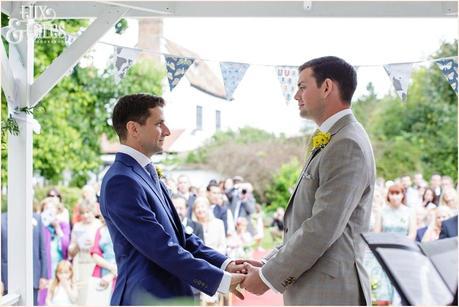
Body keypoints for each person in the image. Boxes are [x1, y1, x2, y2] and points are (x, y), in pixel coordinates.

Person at [240, 56, 375, 305]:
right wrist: (269, 261)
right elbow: (305, 218)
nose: (296, 95)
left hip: (330, 293)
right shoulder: (332, 137)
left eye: (302, 86)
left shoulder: (347, 143)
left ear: (326, 87)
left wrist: (267, 278)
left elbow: (322, 226)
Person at [99, 94, 244, 305]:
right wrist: (221, 280)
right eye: (159, 124)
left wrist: (225, 264)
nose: (166, 131)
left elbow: (180, 237)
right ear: (134, 129)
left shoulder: (145, 173)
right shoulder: (121, 180)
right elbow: (161, 247)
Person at [1, 212, 48, 305]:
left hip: (33, 274)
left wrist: (43, 275)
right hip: (8, 275)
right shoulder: (2, 220)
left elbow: (42, 249)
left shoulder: (37, 218)